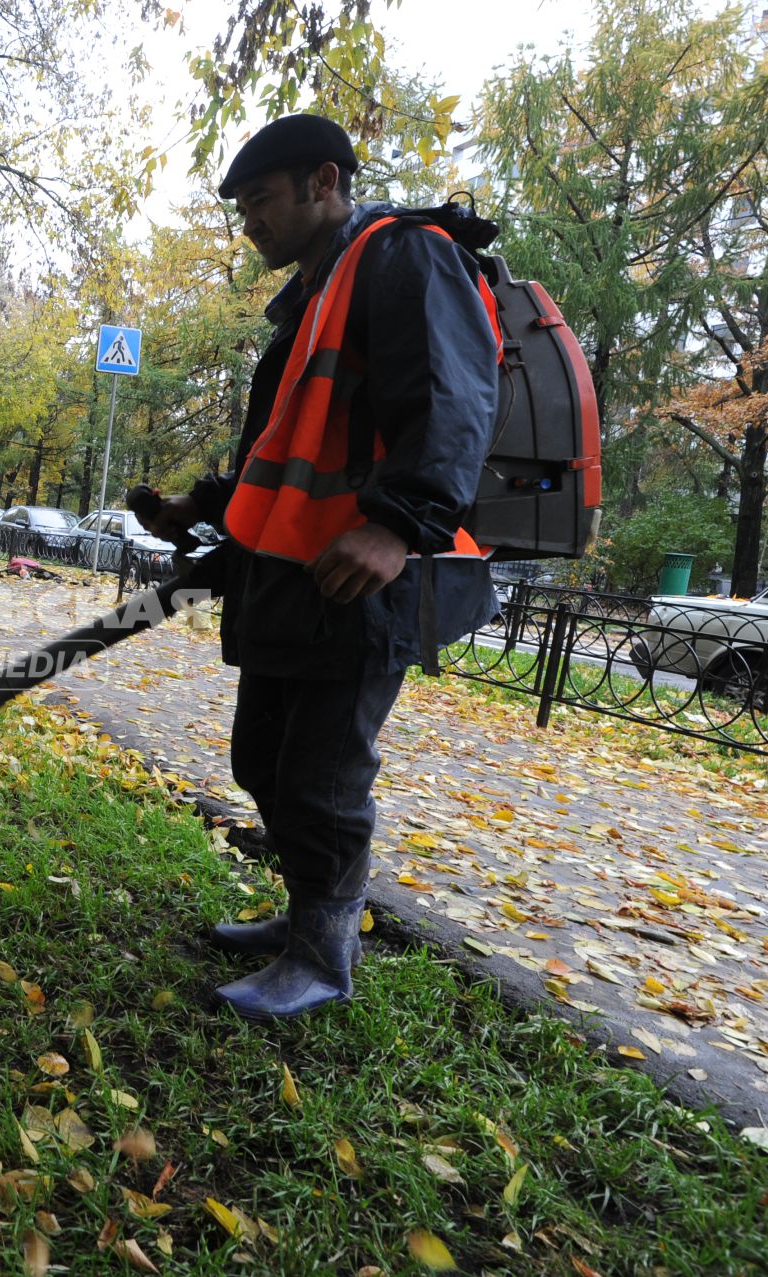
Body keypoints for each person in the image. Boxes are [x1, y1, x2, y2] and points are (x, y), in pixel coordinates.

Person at [143, 114, 501, 1020]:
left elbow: (455, 398)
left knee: (322, 775)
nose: (250, 223)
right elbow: (289, 444)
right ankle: (306, 914)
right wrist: (204, 505)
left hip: (367, 579)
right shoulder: (316, 292)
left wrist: (398, 527)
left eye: (261, 200)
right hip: (296, 576)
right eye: (241, 209)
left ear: (324, 183)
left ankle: (324, 954)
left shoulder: (405, 255)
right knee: (262, 757)